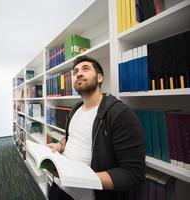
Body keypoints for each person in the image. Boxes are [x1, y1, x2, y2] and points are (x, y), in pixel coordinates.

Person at [46, 55, 146, 200]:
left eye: (85, 69)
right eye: (75, 71)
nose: (79, 73)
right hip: (59, 188)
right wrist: (60, 146)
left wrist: (78, 177)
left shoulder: (120, 114)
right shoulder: (75, 109)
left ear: (100, 78)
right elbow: (72, 138)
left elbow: (132, 174)